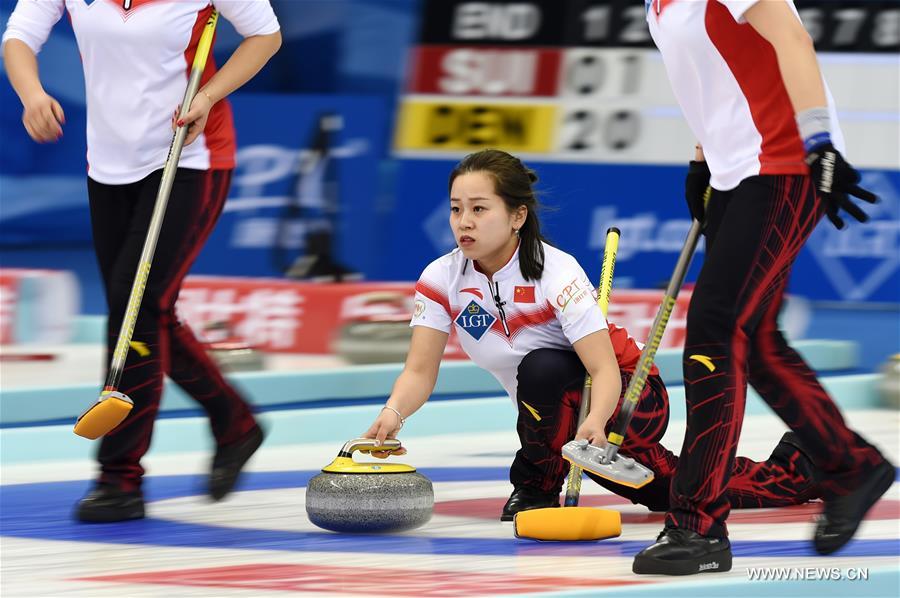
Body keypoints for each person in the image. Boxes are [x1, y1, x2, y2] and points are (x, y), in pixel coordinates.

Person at [362, 149, 822, 522]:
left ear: (517, 216)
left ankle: (536, 486)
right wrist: (392, 413)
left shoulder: (556, 273)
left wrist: (598, 422)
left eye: (479, 209)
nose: (464, 221)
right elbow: (419, 371)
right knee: (669, 492)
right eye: (456, 209)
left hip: (630, 395)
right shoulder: (441, 279)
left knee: (542, 367)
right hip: (563, 416)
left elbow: (602, 369)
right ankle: (798, 469)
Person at [634, 0, 894, 575]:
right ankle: (851, 465)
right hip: (736, 171)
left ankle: (698, 525)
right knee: (756, 338)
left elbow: (792, 40)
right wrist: (702, 158)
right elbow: (711, 77)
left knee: (715, 329)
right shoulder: (656, 4)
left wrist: (820, 143)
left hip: (783, 163)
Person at [2, 0, 282, 523]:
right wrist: (32, 94)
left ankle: (120, 479)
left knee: (134, 308)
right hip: (108, 163)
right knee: (145, 310)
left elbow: (265, 35)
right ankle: (234, 421)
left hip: (188, 156)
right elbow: (19, 35)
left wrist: (207, 95)